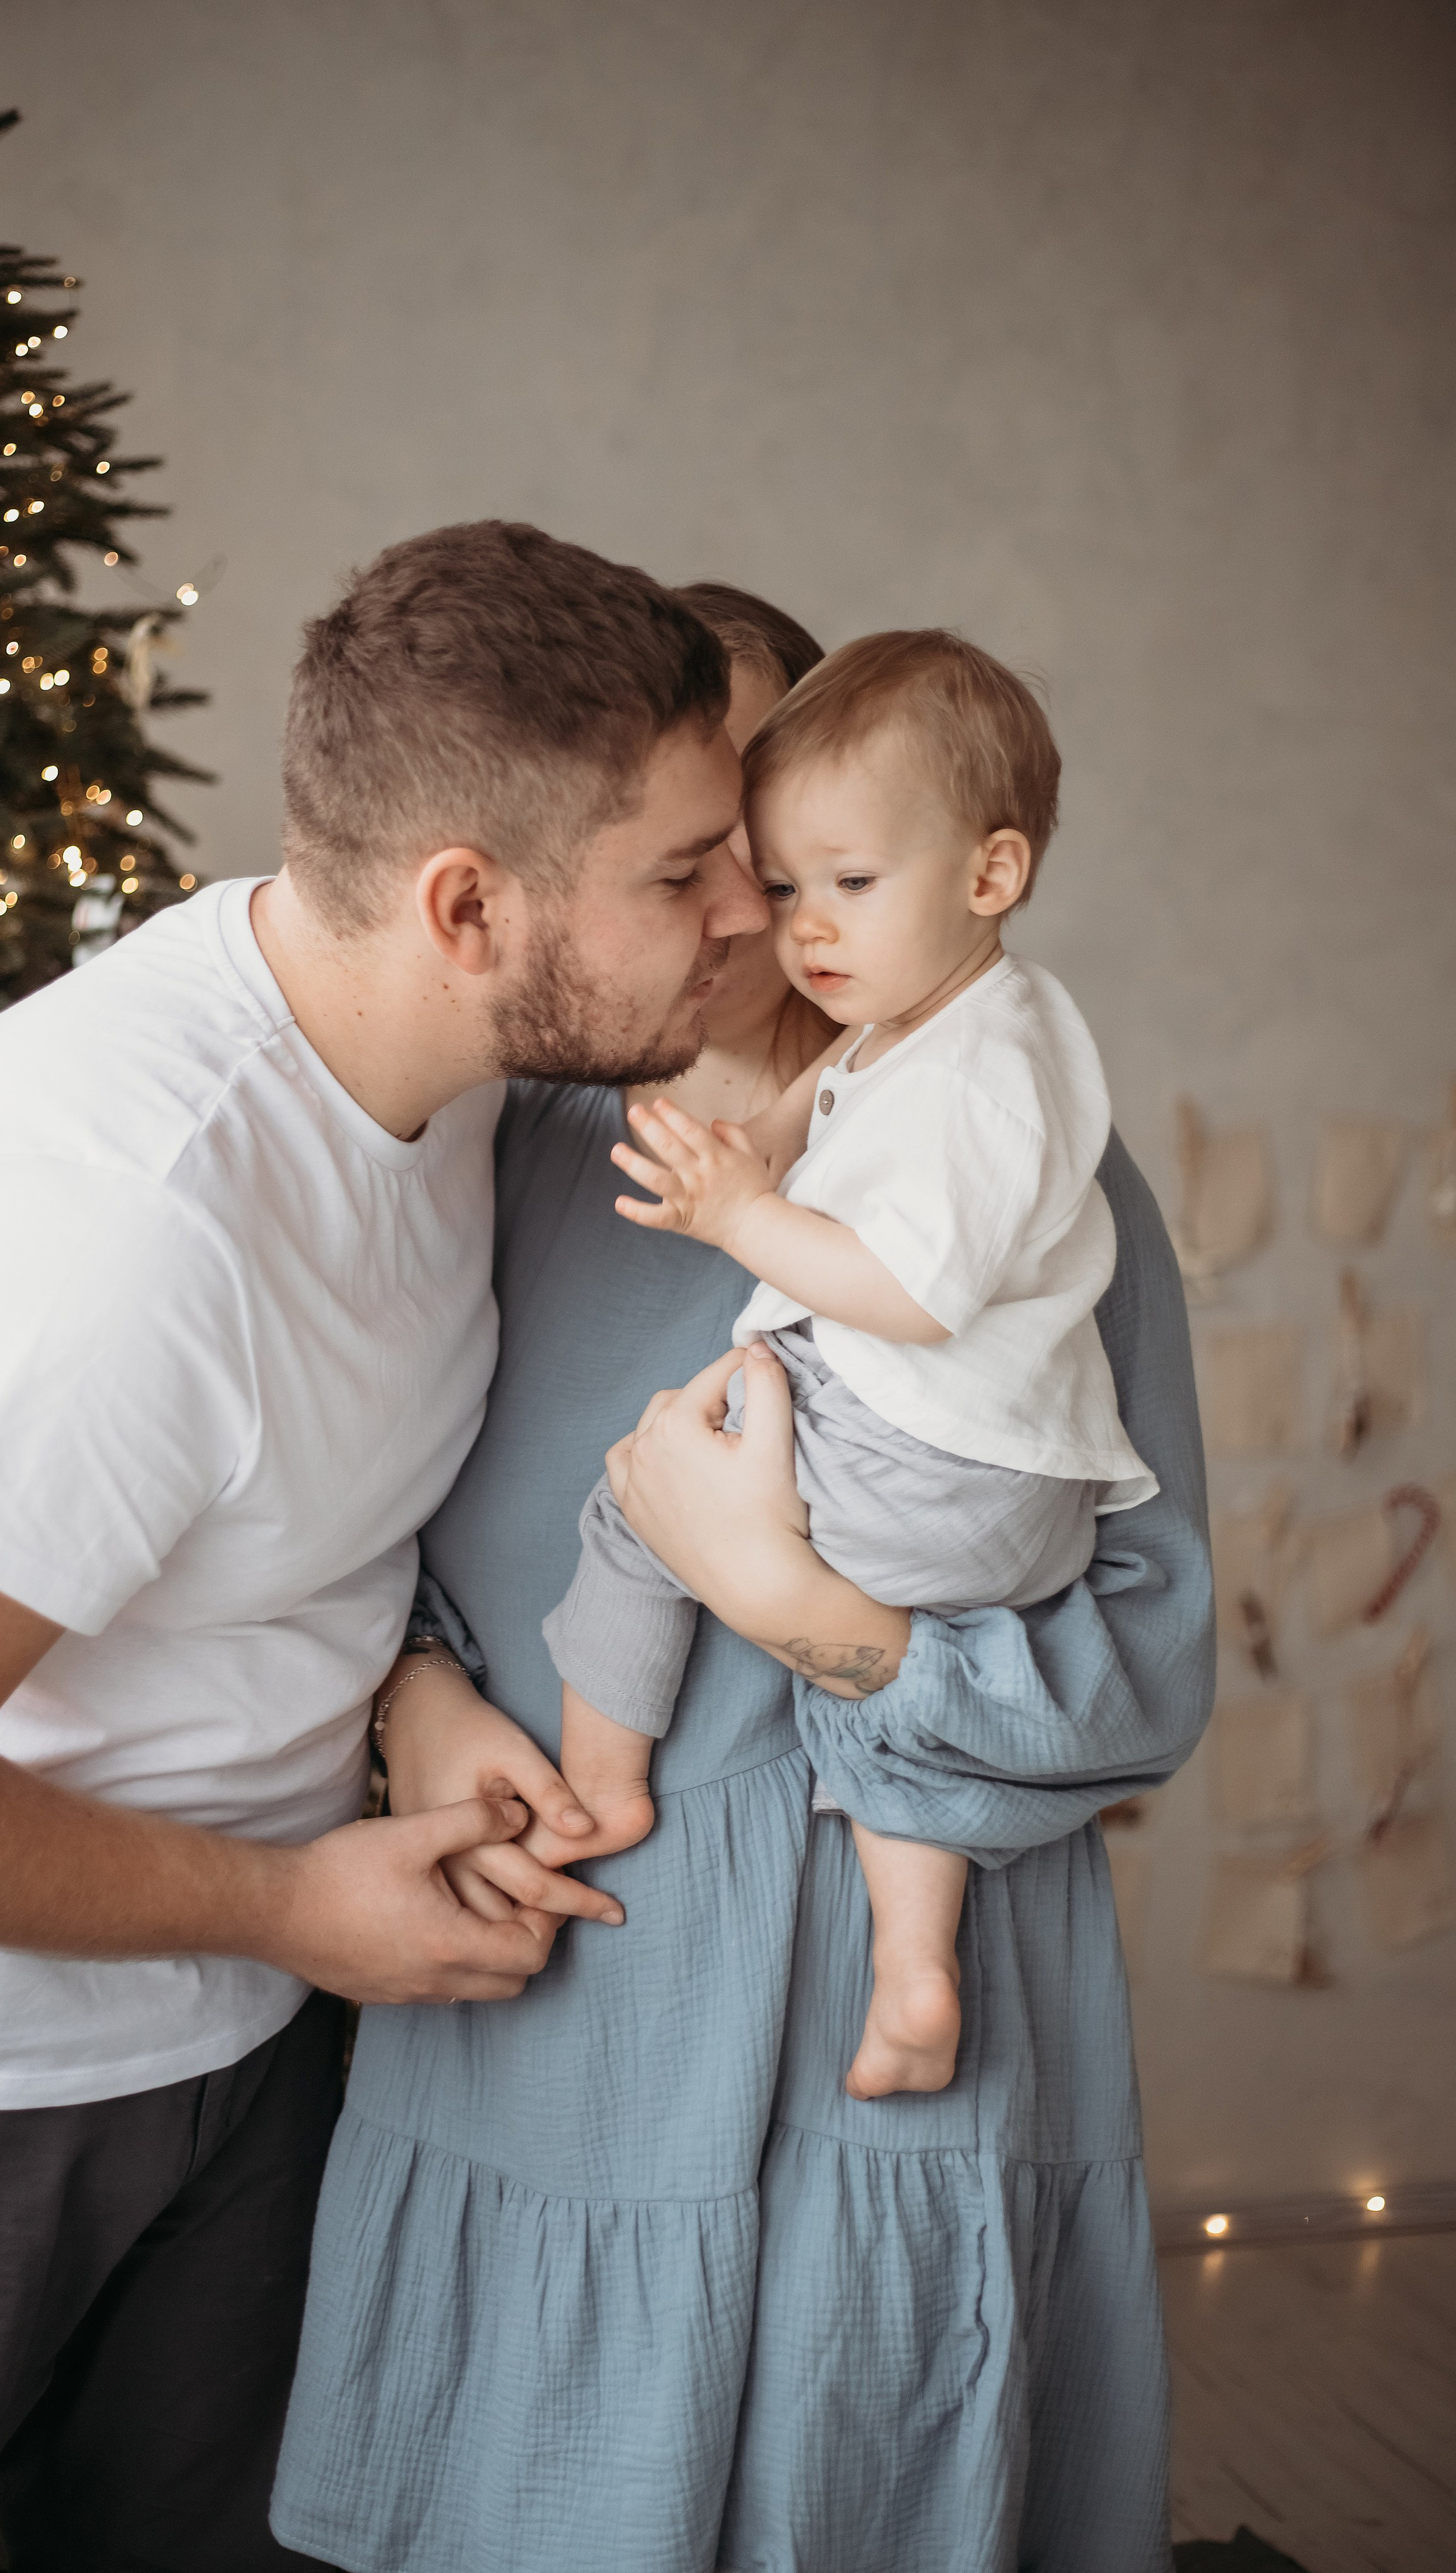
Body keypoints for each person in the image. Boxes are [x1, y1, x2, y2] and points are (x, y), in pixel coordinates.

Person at [0, 521, 770, 2573]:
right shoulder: (117, 1224)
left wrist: (416, 1694)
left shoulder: (434, 1064)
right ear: (467, 906)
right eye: (684, 873)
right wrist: (297, 1906)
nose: (748, 913)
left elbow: (266, 1521)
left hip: (235, 2040)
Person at [271, 583, 1214, 2573]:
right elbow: (328, 1544)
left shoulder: (1039, 1182)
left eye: (782, 853)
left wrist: (789, 1605)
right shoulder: (496, 1151)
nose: (752, 915)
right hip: (565, 2038)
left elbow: (1148, 1658)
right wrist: (419, 1708)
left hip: (910, 2084)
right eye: (698, 858)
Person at [545, 628, 1157, 2100]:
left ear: (987, 874)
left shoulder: (983, 1073)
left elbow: (909, 1289)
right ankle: (910, 1972)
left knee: (644, 1497)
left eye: (843, 881)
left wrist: (743, 1213)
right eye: (769, 873)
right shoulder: (940, 1021)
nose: (789, 922)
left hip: (932, 1447)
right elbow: (844, 1101)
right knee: (883, 1741)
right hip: (1001, 1496)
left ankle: (593, 1790)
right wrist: (763, 1147)